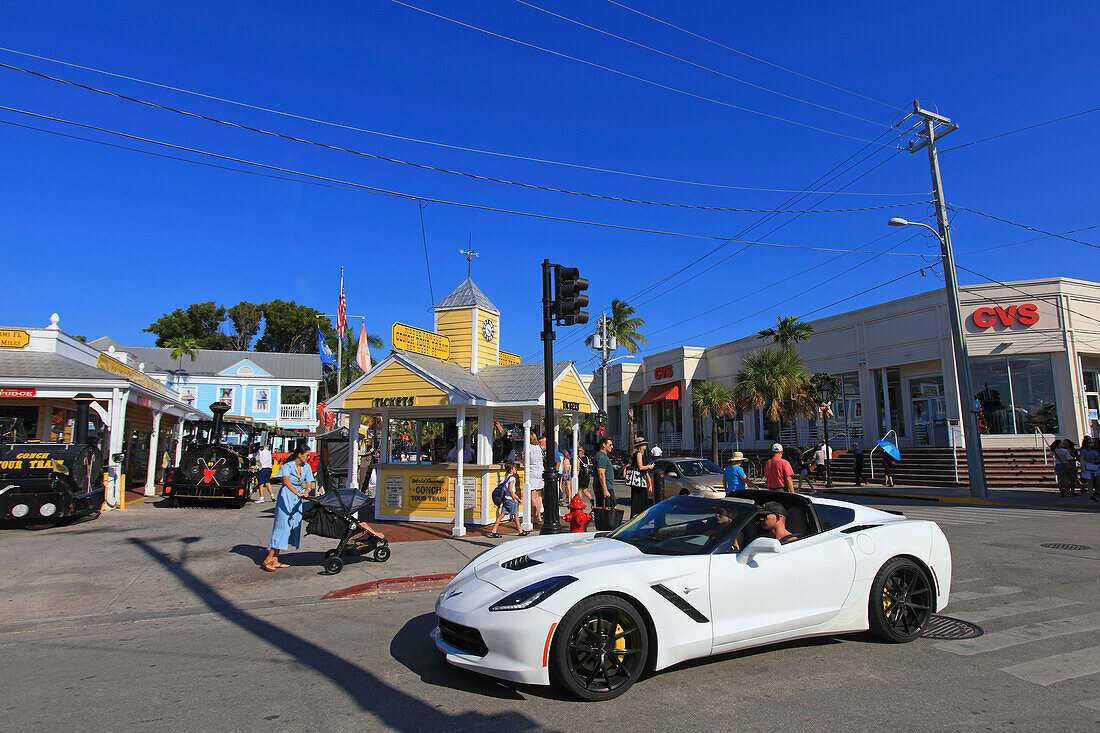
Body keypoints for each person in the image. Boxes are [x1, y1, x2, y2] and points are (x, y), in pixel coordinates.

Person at [261, 445, 314, 572]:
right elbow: (286, 481)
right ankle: (269, 558)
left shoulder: (306, 467)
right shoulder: (287, 466)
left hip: (297, 498)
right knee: (282, 526)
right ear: (300, 455)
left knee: (292, 525)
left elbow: (309, 483)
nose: (308, 457)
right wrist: (297, 493)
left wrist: (307, 490)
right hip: (286, 496)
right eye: (307, 455)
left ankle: (275, 559)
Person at [488, 462, 528, 537]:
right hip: (510, 499)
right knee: (516, 515)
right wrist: (514, 498)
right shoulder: (512, 478)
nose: (516, 470)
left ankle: (494, 530)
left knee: (502, 514)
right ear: (511, 470)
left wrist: (517, 498)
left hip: (506, 499)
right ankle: (520, 531)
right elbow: (510, 490)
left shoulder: (507, 477)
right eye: (515, 469)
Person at [631, 436, 655, 507]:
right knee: (639, 501)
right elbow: (641, 467)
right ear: (640, 446)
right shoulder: (638, 454)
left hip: (641, 480)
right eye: (644, 444)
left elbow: (645, 472)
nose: (645, 446)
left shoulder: (639, 454)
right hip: (638, 481)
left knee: (642, 501)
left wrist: (650, 484)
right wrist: (649, 466)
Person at [528, 432, 545, 526]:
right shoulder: (538, 447)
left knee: (533, 496)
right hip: (540, 471)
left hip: (532, 472)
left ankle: (534, 517)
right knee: (537, 496)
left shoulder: (528, 447)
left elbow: (526, 460)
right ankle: (538, 516)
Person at [594, 435, 616, 509]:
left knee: (605, 509)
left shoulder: (603, 456)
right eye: (610, 445)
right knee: (608, 510)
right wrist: (605, 490)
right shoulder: (601, 456)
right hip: (605, 488)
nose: (612, 447)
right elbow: (601, 474)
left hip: (606, 486)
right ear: (604, 445)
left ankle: (592, 516)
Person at [1079, 437, 1100, 502]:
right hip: (1088, 466)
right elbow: (1081, 459)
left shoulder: (1095, 450)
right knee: (1090, 481)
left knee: (1097, 480)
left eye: (1093, 442)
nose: (1092, 444)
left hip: (1095, 465)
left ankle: (1097, 491)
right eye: (1090, 442)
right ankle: (1091, 495)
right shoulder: (1083, 451)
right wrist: (1082, 467)